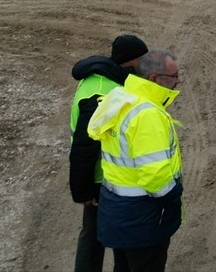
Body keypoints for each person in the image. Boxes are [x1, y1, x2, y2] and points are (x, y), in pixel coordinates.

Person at [88, 49, 183, 272]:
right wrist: (175, 194)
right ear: (154, 79)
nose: (179, 82)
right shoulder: (147, 115)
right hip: (143, 219)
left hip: (117, 211)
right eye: (174, 76)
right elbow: (156, 180)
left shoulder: (121, 98)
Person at [68, 34, 149, 272]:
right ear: (130, 62)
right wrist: (83, 191)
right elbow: (84, 146)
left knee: (95, 235)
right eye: (141, 60)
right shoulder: (104, 94)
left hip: (102, 178)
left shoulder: (99, 79)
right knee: (101, 237)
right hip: (100, 181)